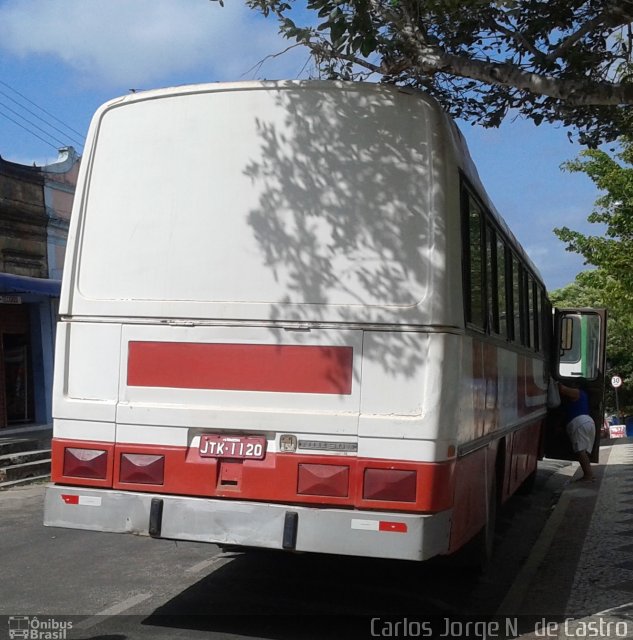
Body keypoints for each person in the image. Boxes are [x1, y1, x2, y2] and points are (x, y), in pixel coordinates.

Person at [558, 384, 595, 481]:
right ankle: (588, 474)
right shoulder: (584, 395)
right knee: (584, 451)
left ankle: (588, 475)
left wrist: (555, 382)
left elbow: (562, 389)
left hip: (579, 423)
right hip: (588, 422)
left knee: (580, 451)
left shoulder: (577, 392)